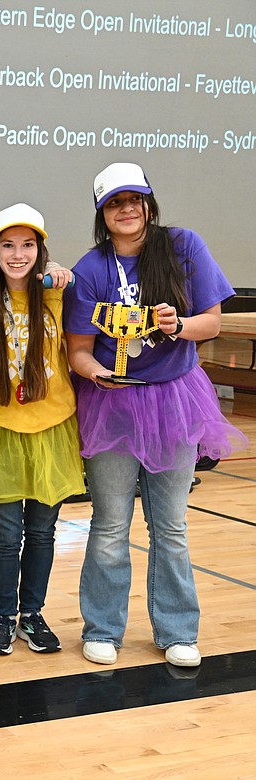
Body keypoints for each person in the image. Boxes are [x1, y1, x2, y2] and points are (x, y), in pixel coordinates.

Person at [64, 162, 246, 668]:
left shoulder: (183, 245)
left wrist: (179, 323)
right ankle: (102, 627)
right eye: (115, 202)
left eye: (134, 200)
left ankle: (178, 630)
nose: (127, 209)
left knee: (170, 526)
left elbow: (211, 322)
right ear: (103, 212)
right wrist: (96, 372)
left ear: (148, 203)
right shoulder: (91, 269)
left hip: (173, 400)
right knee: (110, 523)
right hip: (113, 405)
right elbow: (78, 350)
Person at [0, 204, 84, 655]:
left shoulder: (53, 293)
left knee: (41, 533)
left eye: (28, 245)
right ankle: (1, 616)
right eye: (8, 245)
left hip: (51, 429)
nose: (18, 255)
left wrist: (54, 271)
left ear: (41, 249)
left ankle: (31, 615)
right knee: (5, 535)